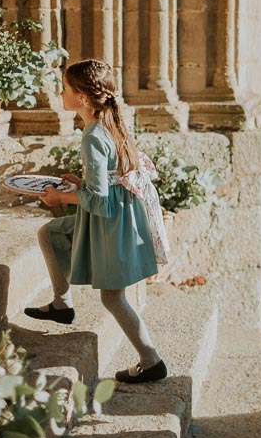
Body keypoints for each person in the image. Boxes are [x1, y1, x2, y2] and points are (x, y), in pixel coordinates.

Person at [27, 59, 166, 384]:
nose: (60, 92)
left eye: (65, 87)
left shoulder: (93, 134)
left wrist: (60, 198)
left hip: (109, 221)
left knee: (112, 297)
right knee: (50, 233)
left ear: (83, 97)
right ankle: (61, 304)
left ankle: (151, 360)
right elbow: (107, 182)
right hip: (117, 216)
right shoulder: (110, 124)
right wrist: (80, 183)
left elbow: (100, 200)